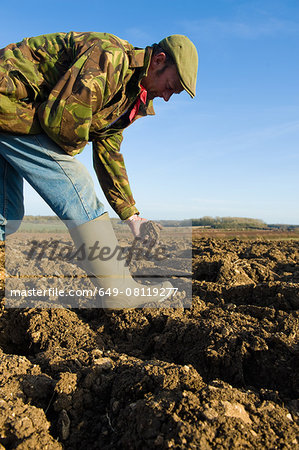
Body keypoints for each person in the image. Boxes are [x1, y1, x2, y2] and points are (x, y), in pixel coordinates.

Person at [0, 31, 198, 308]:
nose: (166, 97)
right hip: (9, 98)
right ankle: (118, 291)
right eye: (171, 86)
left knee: (7, 212)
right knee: (77, 182)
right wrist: (69, 161)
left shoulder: (130, 96)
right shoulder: (111, 57)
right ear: (159, 60)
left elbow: (108, 151)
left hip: (15, 111)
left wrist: (132, 216)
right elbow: (61, 122)